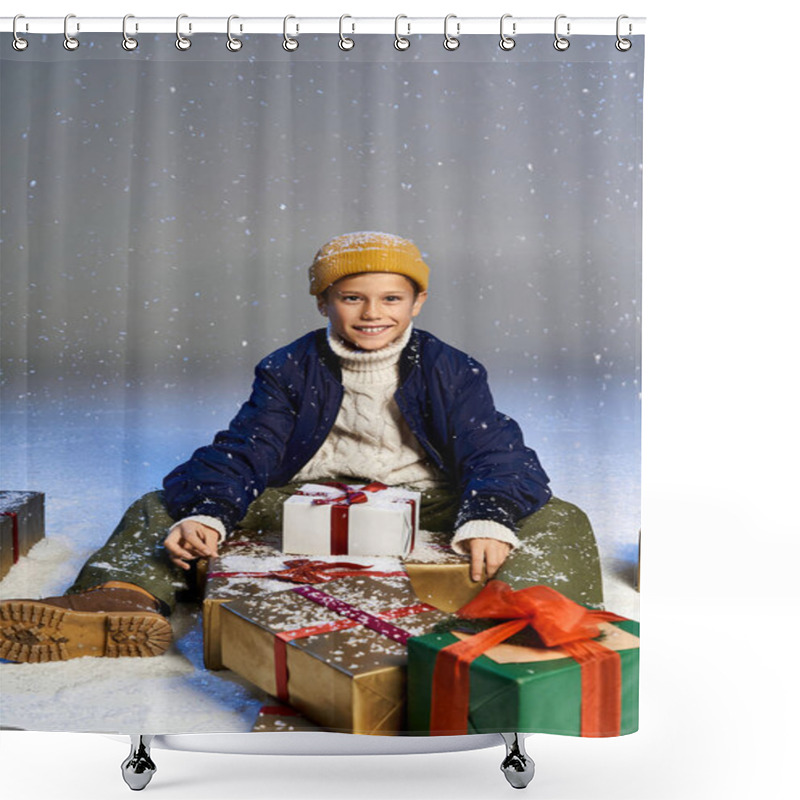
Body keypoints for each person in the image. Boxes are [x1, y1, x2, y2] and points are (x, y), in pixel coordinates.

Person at [0, 232, 603, 664]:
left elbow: (497, 453)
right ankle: (117, 600)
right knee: (162, 507)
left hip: (423, 501)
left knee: (558, 516)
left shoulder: (452, 370)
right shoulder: (290, 366)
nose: (372, 314)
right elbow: (248, 445)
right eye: (352, 298)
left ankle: (539, 616)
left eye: (391, 299)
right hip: (309, 497)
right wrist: (210, 509)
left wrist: (488, 516)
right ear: (323, 302)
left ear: (417, 302)